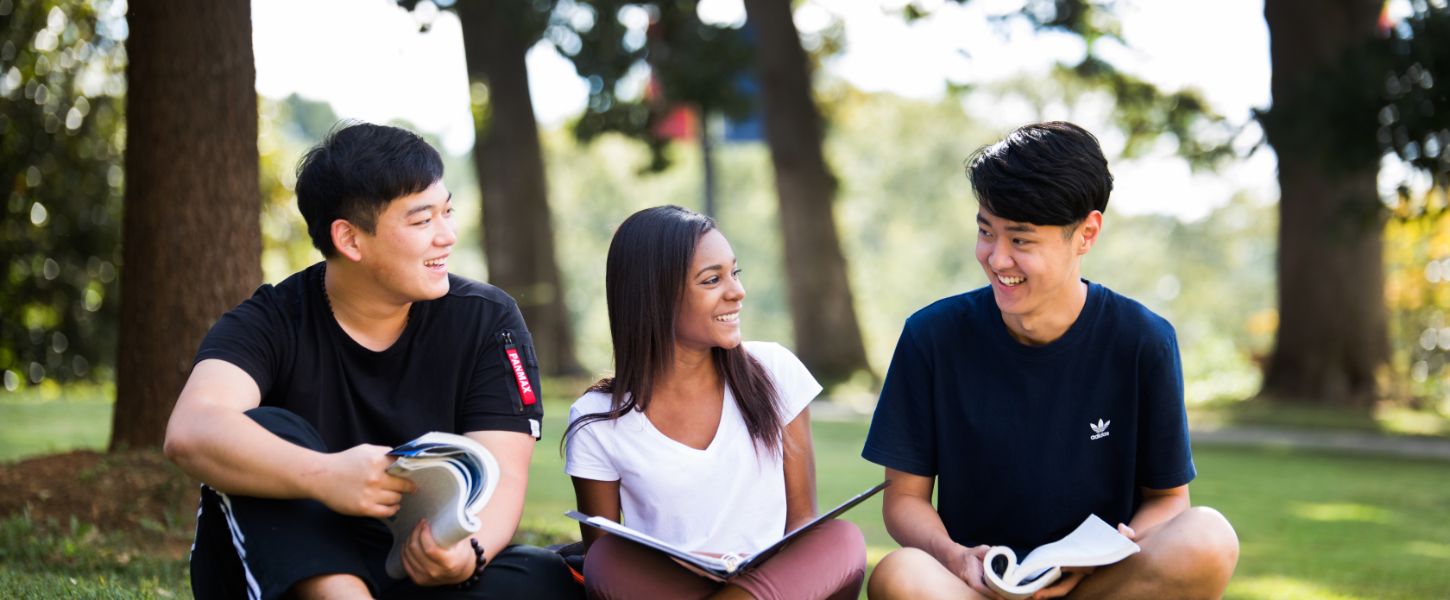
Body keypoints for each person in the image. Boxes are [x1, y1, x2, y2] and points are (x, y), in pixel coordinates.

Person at [164, 122, 581, 600]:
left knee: (541, 577)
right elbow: (190, 430)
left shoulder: (487, 319)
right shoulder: (272, 320)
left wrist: (466, 553)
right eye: (422, 221)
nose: (446, 235)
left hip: (409, 568)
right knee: (266, 428)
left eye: (447, 212)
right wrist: (328, 477)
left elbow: (503, 469)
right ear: (350, 239)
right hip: (290, 569)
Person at [862, 122, 1239, 600]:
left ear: (1086, 233)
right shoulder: (931, 336)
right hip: (975, 588)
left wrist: (1117, 549)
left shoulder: (1144, 341)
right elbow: (904, 498)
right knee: (901, 574)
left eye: (1020, 240)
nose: (997, 258)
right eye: (986, 232)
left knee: (1209, 536)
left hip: (1094, 586)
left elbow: (1168, 501)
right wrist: (956, 557)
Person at [563, 206, 866, 600]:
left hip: (774, 586)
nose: (737, 291)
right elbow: (604, 555)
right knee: (605, 559)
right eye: (712, 280)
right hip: (673, 589)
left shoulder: (774, 370)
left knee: (840, 540)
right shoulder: (596, 421)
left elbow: (801, 523)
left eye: (734, 273)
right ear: (655, 295)